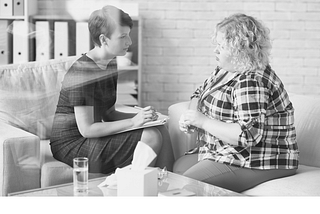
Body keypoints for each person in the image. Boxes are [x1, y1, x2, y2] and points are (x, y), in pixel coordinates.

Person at [174, 13, 299, 192]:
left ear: (239, 50)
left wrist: (202, 121)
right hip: (226, 149)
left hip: (261, 158)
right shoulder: (225, 70)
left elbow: (249, 136)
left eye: (221, 46)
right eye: (216, 44)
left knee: (187, 185)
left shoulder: (251, 81)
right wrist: (190, 117)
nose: (215, 50)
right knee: (178, 166)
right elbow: (199, 93)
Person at [50, 5, 174, 174]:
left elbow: (109, 114)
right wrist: (133, 122)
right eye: (123, 36)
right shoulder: (81, 71)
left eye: (128, 35)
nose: (129, 42)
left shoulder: (110, 62)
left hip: (90, 136)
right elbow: (87, 130)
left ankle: (168, 184)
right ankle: (137, 188)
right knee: (150, 135)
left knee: (159, 128)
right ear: (103, 39)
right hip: (72, 144)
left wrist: (144, 117)